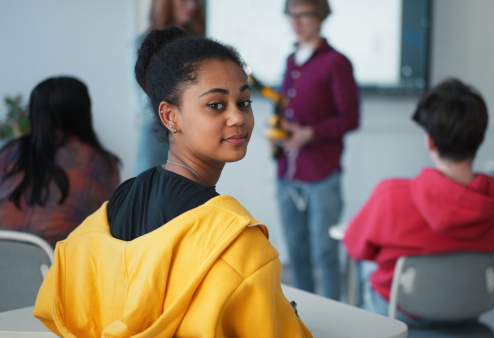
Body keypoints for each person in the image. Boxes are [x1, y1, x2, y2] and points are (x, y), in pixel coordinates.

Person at [33, 27, 312, 338]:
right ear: (170, 116)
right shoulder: (237, 242)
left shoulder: (123, 196)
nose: (238, 118)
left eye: (244, 102)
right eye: (216, 105)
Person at [342, 78, 494, 326]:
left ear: (430, 141)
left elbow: (355, 247)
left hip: (398, 314)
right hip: (467, 312)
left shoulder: (391, 196)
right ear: (480, 140)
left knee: (365, 272)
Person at [274, 0, 360, 301]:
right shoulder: (289, 60)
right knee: (296, 252)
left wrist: (310, 134)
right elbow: (285, 108)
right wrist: (278, 131)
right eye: (291, 15)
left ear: (321, 17)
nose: (296, 21)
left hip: (321, 174)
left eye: (303, 15)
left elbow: (350, 118)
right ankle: (304, 318)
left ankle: (336, 318)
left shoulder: (336, 62)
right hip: (287, 172)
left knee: (324, 253)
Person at [0, 76, 120, 247]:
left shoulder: (9, 152)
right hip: (56, 265)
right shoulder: (100, 163)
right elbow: (109, 228)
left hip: (4, 262)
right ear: (84, 112)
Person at [134, 0, 205, 175]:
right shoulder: (142, 43)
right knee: (149, 196)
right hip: (156, 133)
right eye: (185, 0)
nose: (192, 6)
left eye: (196, 1)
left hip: (192, 132)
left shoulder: (201, 43)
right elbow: (142, 101)